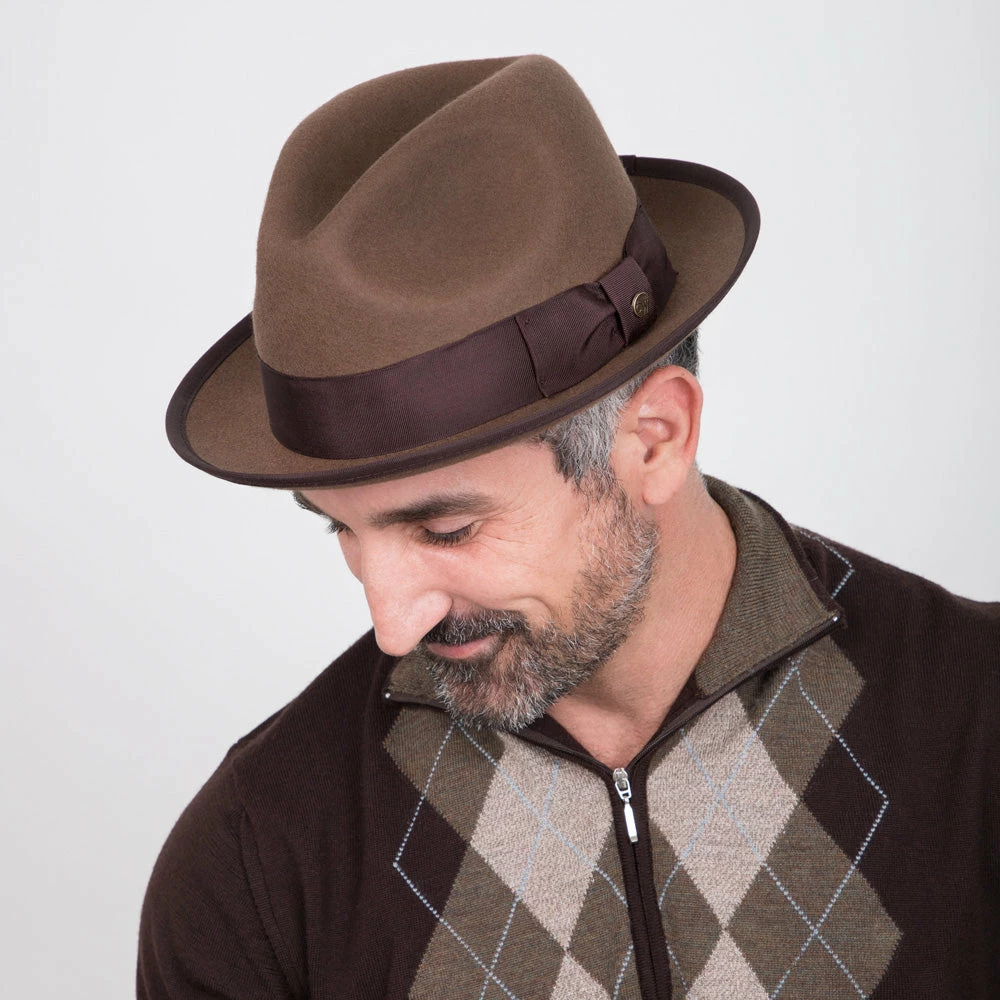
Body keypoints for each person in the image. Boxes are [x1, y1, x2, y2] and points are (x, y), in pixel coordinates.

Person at [140, 55, 999, 999]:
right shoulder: (258, 865)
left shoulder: (977, 725)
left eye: (446, 530)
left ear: (656, 439)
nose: (393, 624)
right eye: (340, 531)